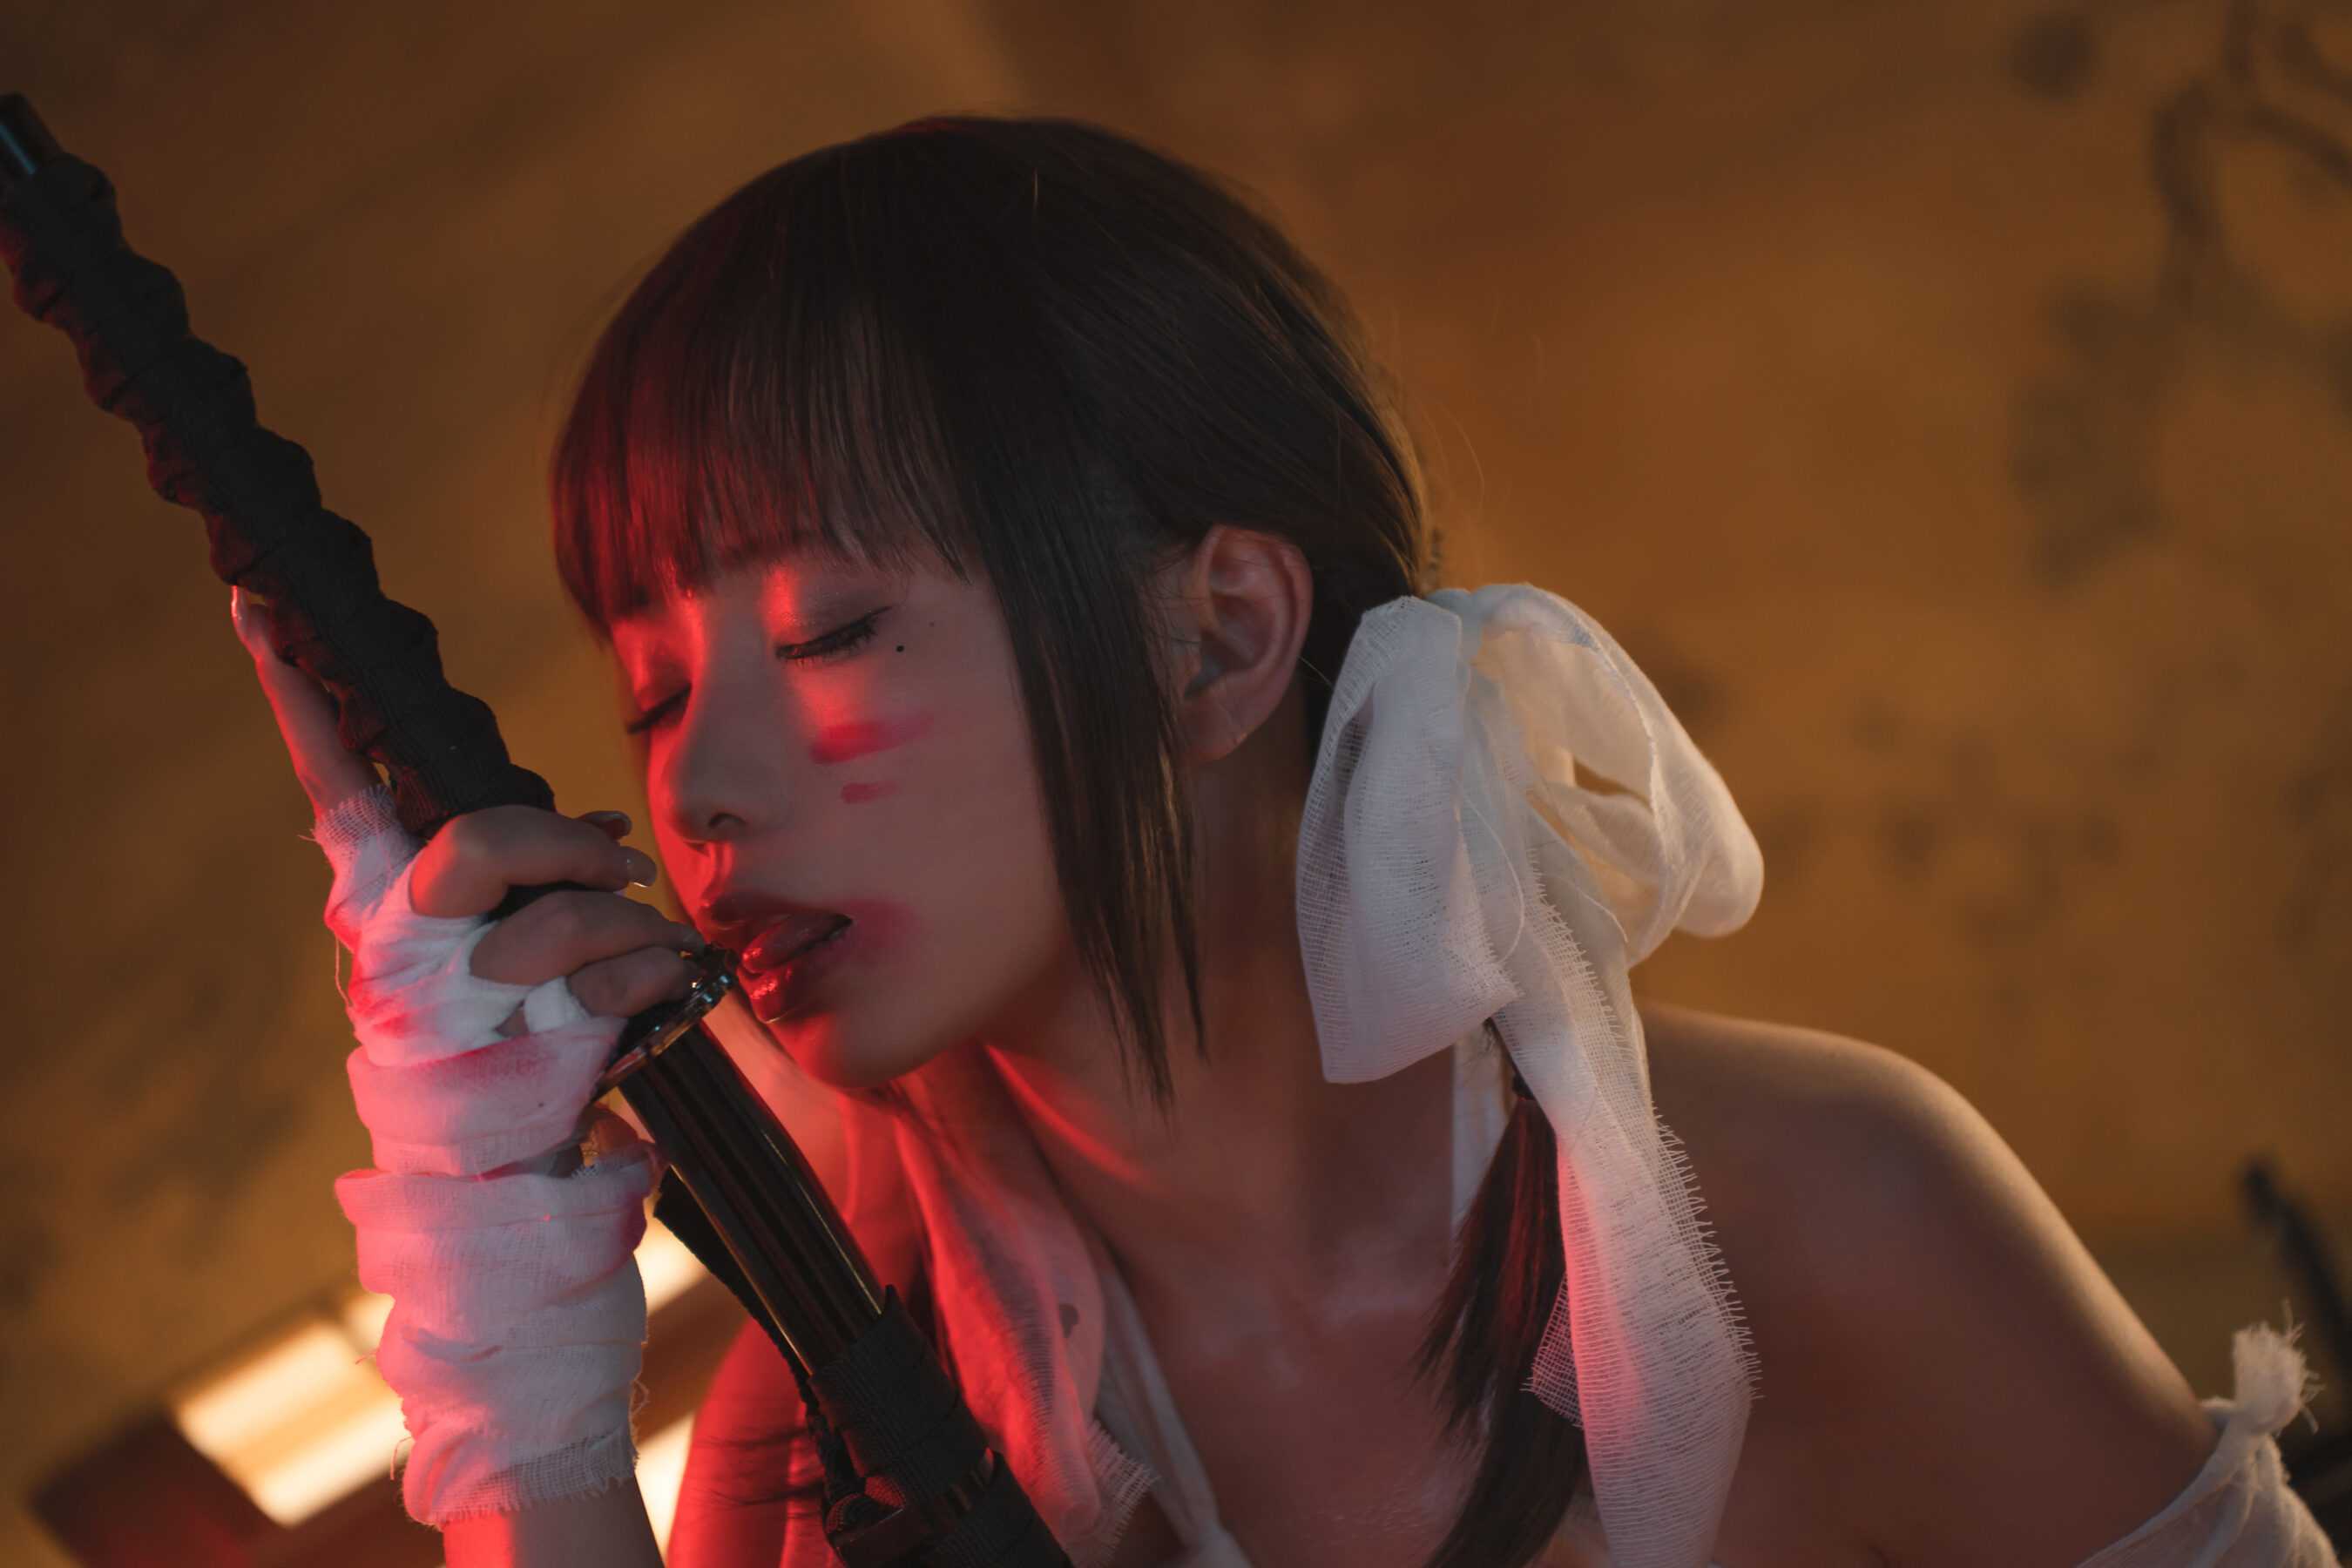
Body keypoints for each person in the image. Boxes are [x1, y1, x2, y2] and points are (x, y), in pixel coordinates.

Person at [231, 116, 2336, 1568]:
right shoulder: (852, 1408)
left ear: (1221, 632)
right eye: (655, 691)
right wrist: (518, 1344)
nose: (700, 793)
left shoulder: (1819, 1218)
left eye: (833, 633)